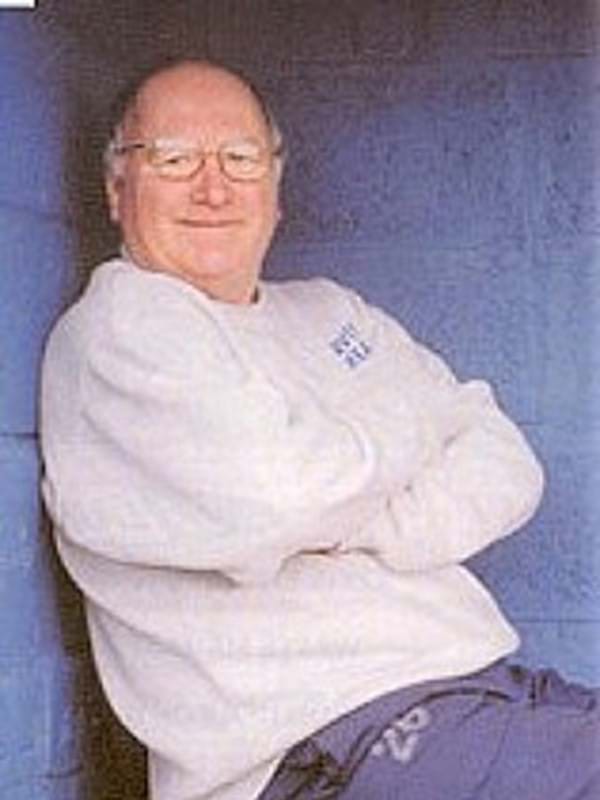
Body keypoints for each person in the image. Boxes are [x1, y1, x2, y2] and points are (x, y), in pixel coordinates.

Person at [40, 59, 599, 800]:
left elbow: (506, 462)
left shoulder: (330, 312)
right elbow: (278, 497)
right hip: (322, 746)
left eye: (241, 158)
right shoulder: (125, 324)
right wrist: (410, 434)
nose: (213, 188)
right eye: (174, 159)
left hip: (473, 686)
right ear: (117, 189)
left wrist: (365, 524)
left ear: (275, 190)